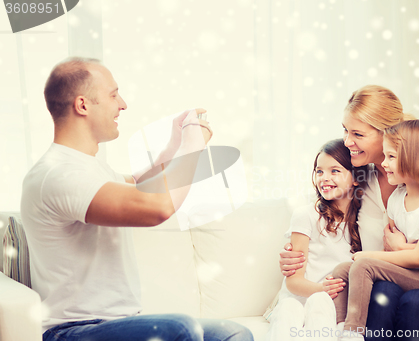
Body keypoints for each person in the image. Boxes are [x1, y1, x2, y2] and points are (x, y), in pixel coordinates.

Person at [20, 57, 253, 341]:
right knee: (181, 330)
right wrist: (192, 147)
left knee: (233, 333)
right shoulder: (57, 174)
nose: (123, 104)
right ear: (82, 105)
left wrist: (175, 143)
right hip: (73, 331)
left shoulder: (87, 167)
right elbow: (156, 207)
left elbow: (142, 184)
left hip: (121, 323)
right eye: (113, 94)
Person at [278, 85, 419, 341]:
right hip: (384, 297)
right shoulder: (360, 179)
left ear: (388, 133)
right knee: (383, 293)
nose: (347, 142)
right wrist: (296, 256)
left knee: (414, 300)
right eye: (345, 130)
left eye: (357, 133)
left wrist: (407, 249)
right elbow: (320, 209)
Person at [332, 120, 419, 341]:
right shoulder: (397, 198)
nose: (383, 164)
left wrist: (367, 256)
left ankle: (351, 333)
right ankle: (338, 326)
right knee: (342, 270)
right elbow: (390, 250)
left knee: (363, 264)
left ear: (416, 158)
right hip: (411, 275)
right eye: (385, 156)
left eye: (391, 157)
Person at [266, 139, 366, 341]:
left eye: (334, 171)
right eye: (319, 171)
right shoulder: (306, 215)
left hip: (331, 307)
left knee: (323, 308)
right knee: (292, 307)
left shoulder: (365, 221)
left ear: (356, 178)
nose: (324, 178)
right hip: (299, 300)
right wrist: (322, 289)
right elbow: (293, 282)